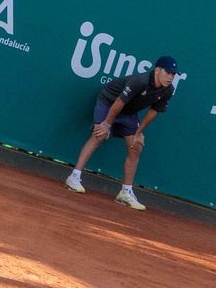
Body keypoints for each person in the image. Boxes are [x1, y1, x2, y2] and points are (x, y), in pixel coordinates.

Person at [64, 56, 180, 211]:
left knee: (135, 147)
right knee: (100, 135)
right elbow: (119, 102)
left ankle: (125, 192)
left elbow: (153, 111)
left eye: (173, 74)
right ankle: (74, 176)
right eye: (168, 73)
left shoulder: (168, 90)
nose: (171, 77)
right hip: (109, 102)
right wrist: (106, 124)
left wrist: (139, 132)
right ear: (157, 70)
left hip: (129, 112)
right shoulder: (140, 81)